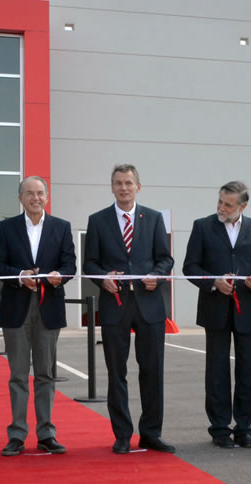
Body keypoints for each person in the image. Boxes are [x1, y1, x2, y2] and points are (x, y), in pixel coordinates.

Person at [83, 164, 174, 454]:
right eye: (118, 183)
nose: (123, 188)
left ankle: (151, 433)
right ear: (112, 187)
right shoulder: (98, 221)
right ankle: (122, 434)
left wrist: (156, 276)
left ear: (138, 187)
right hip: (115, 306)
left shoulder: (154, 218)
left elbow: (165, 259)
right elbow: (90, 265)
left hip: (149, 306)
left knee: (152, 372)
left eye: (128, 183)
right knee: (116, 373)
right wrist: (103, 279)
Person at [183, 181, 251, 449]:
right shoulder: (202, 226)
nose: (222, 207)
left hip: (247, 308)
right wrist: (213, 281)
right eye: (220, 201)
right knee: (217, 371)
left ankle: (245, 428)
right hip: (215, 309)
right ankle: (220, 428)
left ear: (243, 206)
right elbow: (190, 266)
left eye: (228, 204)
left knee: (248, 370)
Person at [0, 176, 76, 456]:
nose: (35, 198)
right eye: (29, 193)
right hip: (16, 309)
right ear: (20, 198)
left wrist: (58, 277)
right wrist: (19, 275)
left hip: (48, 308)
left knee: (45, 373)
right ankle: (16, 434)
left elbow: (70, 264)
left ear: (47, 196)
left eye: (40, 193)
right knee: (17, 374)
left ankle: (46, 433)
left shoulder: (61, 227)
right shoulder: (6, 228)